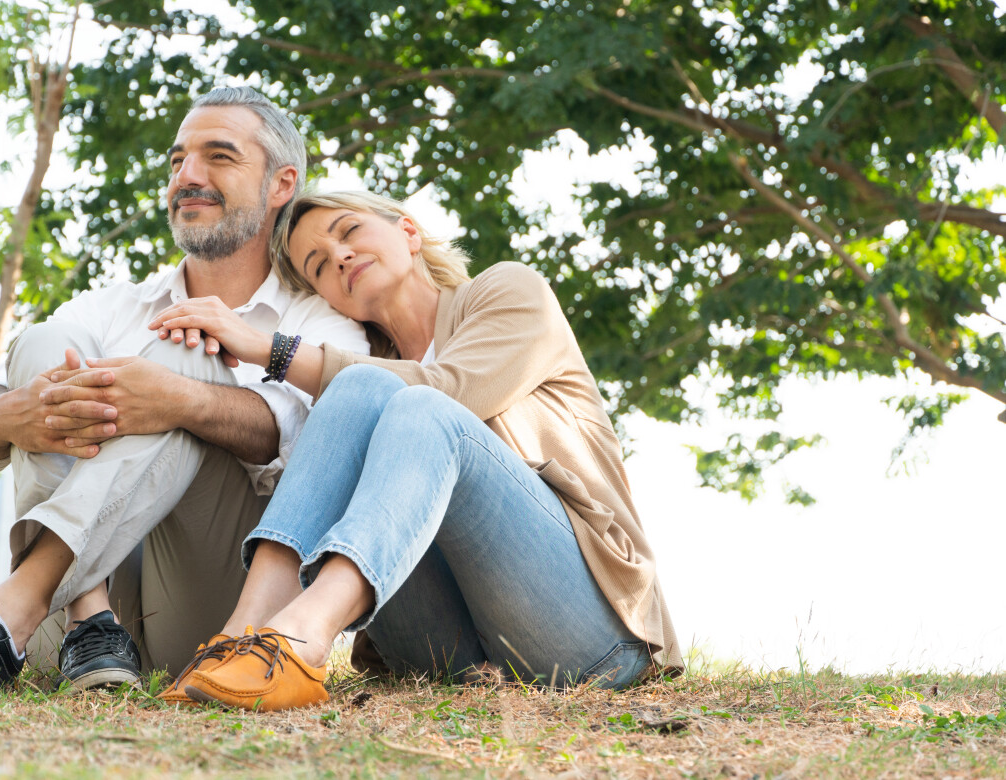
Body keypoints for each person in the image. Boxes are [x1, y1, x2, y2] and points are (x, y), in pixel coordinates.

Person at [0, 89, 368, 691]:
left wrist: (182, 399)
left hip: (212, 620)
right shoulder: (118, 304)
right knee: (46, 340)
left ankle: (20, 599)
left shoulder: (323, 323)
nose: (188, 176)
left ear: (281, 183)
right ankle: (88, 616)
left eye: (219, 157)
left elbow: (315, 440)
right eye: (177, 160)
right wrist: (1, 416)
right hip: (66, 640)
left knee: (187, 355)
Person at [141, 190, 683, 711]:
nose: (340, 256)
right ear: (327, 297)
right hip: (446, 653)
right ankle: (244, 636)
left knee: (418, 406)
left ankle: (304, 634)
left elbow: (448, 388)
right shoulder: (361, 375)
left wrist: (269, 348)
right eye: (319, 265)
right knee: (359, 391)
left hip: (584, 634)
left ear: (409, 231)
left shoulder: (507, 292)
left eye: (348, 231)